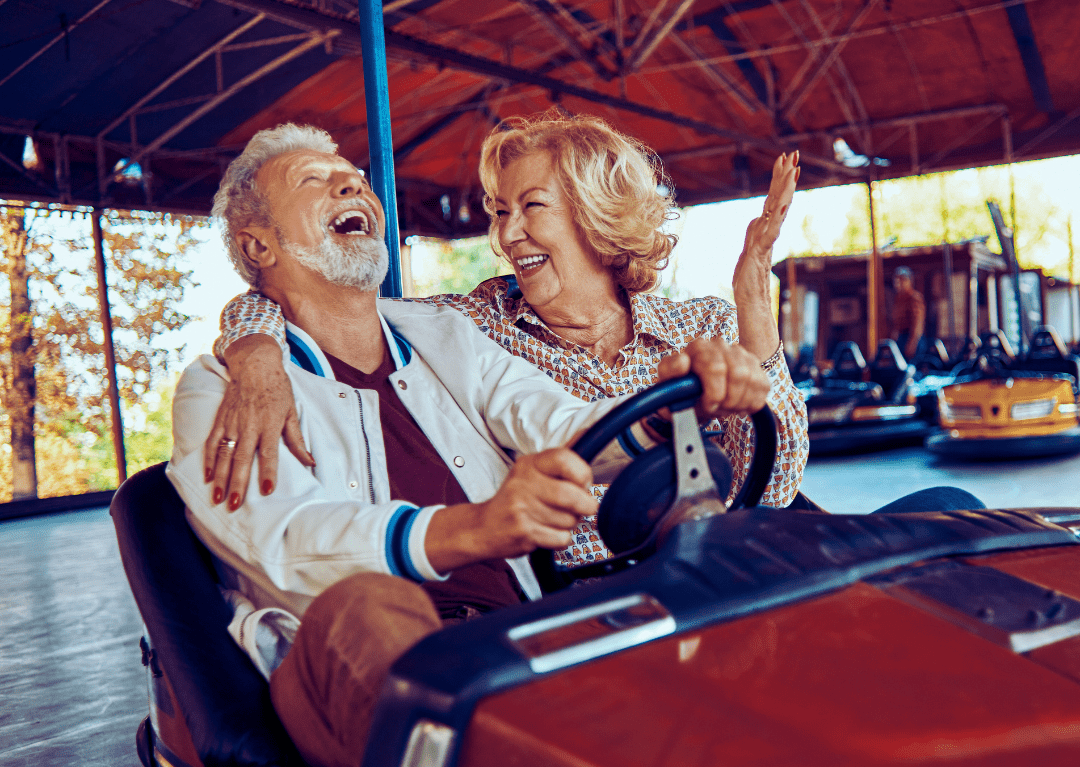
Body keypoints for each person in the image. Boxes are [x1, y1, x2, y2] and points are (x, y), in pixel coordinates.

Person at [165, 124, 772, 767]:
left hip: (510, 638)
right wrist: (475, 528)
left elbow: (558, 423)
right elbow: (285, 536)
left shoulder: (444, 334)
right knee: (367, 602)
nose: (351, 184)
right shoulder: (221, 390)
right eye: (312, 180)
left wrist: (670, 405)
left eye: (355, 178)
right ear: (258, 244)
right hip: (348, 663)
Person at [205, 112, 807, 568]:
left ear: (595, 215)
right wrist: (254, 347)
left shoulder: (698, 328)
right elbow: (332, 299)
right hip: (586, 589)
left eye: (531, 206)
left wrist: (754, 301)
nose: (508, 233)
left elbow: (774, 489)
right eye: (499, 211)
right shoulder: (475, 328)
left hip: (711, 565)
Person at [889, 266, 925, 360]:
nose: (899, 284)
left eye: (902, 280)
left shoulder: (914, 298)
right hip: (901, 338)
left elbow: (918, 322)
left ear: (909, 281)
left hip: (912, 338)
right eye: (897, 281)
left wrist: (912, 343)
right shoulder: (898, 299)